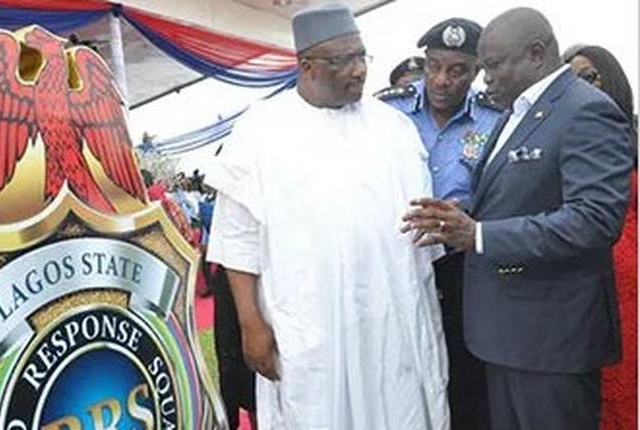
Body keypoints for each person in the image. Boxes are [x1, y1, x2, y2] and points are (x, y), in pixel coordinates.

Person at [207, 4, 448, 429]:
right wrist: (251, 325)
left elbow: (420, 228)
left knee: (398, 405)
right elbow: (237, 239)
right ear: (307, 66)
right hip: (309, 322)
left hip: (390, 316)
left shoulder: (394, 128)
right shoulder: (261, 130)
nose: (358, 71)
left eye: (361, 56)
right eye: (343, 60)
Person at [402, 8, 634, 430]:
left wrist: (481, 235)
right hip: (507, 335)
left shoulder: (585, 110)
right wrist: (460, 217)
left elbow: (595, 219)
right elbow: (514, 199)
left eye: (493, 65)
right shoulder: (520, 110)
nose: (484, 77)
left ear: (536, 53)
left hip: (551, 341)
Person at [380, 17, 502, 430]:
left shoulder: (495, 120)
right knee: (400, 376)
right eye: (434, 65)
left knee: (465, 381)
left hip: (462, 271)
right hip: (397, 264)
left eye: (457, 70)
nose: (441, 79)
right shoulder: (385, 111)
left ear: (477, 71)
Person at [565, 44, 637, 430]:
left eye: (589, 76)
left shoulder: (634, 136)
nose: (582, 88)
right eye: (571, 81)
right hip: (588, 286)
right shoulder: (561, 146)